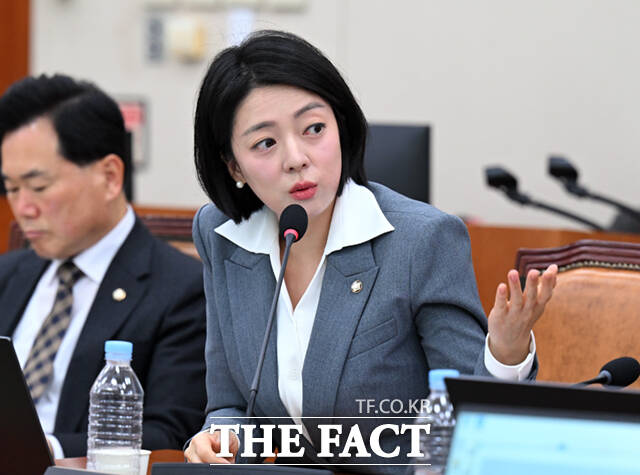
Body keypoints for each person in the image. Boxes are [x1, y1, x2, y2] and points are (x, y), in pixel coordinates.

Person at [184, 30, 557, 472]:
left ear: (341, 127)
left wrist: (506, 353)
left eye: (314, 129)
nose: (296, 158)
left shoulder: (422, 241)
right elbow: (230, 404)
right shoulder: (222, 234)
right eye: (265, 143)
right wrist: (221, 438)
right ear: (233, 166)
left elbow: (469, 418)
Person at [0, 74, 207, 458]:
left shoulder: (184, 289)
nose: (23, 208)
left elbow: (170, 434)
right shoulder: (7, 275)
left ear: (110, 177)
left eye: (39, 187)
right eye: (11, 188)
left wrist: (39, 449)